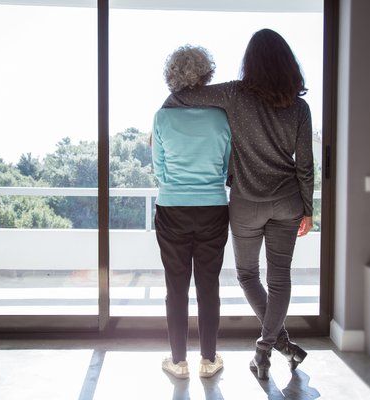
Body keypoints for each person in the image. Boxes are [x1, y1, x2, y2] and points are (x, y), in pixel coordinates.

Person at [163, 29, 313, 380]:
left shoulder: (234, 93)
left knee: (247, 276)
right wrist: (308, 208)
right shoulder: (300, 107)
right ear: (288, 64)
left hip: (246, 204)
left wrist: (162, 114)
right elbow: (305, 164)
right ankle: (273, 345)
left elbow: (183, 97)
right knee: (280, 278)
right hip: (288, 203)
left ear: (250, 62)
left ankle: (270, 346)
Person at [152, 45, 231, 379]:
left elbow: (160, 170)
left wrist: (178, 187)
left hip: (172, 209)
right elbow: (228, 166)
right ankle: (209, 360)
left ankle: (179, 361)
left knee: (176, 287)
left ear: (172, 76)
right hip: (214, 207)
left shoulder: (162, 117)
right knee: (208, 285)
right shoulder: (220, 116)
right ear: (206, 77)